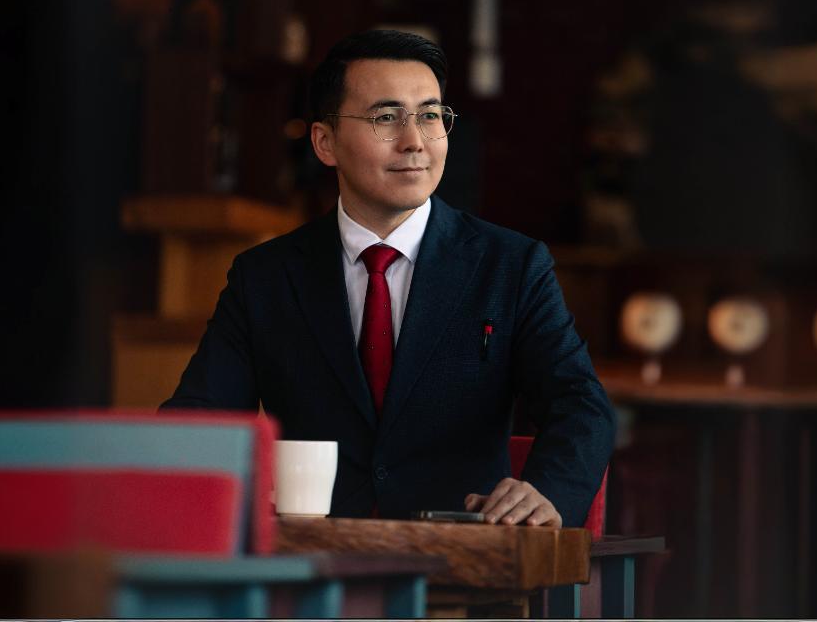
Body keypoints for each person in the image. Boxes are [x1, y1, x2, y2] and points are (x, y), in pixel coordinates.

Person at [163, 29, 615, 528]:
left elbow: (580, 405)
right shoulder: (265, 277)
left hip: (462, 554)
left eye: (430, 115)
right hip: (313, 557)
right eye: (386, 118)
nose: (415, 141)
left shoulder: (510, 265)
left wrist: (545, 492)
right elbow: (201, 417)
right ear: (325, 143)